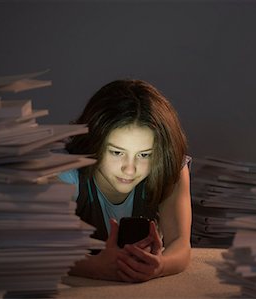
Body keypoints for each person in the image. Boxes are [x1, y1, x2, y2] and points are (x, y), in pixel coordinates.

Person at [59, 79, 192, 282]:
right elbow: (29, 247)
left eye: (145, 155)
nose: (129, 169)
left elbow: (180, 243)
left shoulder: (170, 168)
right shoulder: (65, 173)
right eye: (116, 152)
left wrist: (160, 266)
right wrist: (92, 267)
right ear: (94, 142)